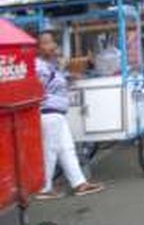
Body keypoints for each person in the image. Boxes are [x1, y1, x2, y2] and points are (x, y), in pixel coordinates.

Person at [35, 30, 105, 200]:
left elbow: (58, 79)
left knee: (67, 149)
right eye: (46, 43)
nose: (52, 46)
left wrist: (67, 73)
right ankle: (44, 188)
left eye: (52, 42)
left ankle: (79, 183)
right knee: (50, 150)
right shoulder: (38, 66)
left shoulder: (50, 64)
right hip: (48, 113)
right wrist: (61, 69)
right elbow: (40, 87)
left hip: (57, 113)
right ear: (37, 48)